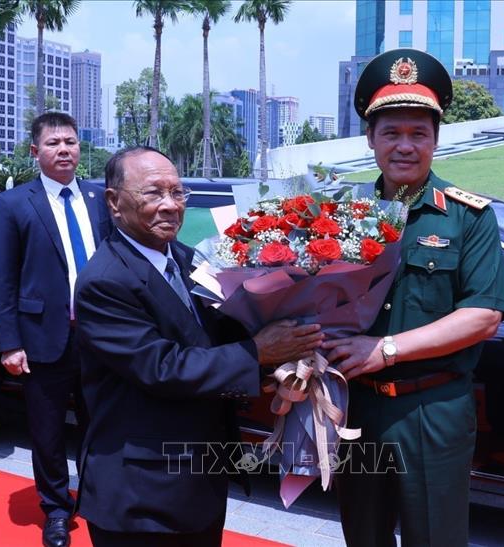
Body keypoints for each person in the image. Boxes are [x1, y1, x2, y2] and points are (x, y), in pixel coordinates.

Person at [74, 146, 324, 547]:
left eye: (178, 193)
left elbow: (221, 339)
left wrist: (285, 359)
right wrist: (259, 352)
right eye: (153, 193)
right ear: (114, 202)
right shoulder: (104, 281)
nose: (171, 205)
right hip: (141, 496)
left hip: (198, 482)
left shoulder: (190, 260)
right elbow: (162, 368)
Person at [323, 49, 504, 547]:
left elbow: (483, 316)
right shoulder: (338, 217)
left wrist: (384, 350)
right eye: (391, 133)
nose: (405, 146)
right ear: (370, 139)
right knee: (362, 535)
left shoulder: (468, 217)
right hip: (356, 409)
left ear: (435, 140)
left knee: (435, 538)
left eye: (418, 134)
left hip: (433, 408)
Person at [0, 113, 110, 547]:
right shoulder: (13, 204)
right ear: (34, 151)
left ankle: (98, 500)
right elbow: (3, 278)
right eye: (54, 143)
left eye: (72, 142)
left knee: (101, 425)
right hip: (43, 338)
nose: (64, 150)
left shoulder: (100, 198)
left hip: (101, 339)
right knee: (46, 431)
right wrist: (9, 343)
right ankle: (57, 510)